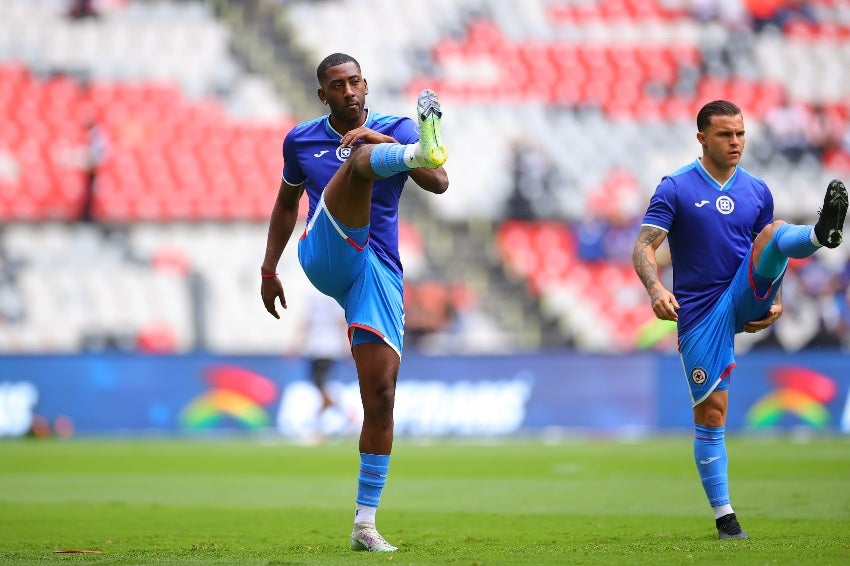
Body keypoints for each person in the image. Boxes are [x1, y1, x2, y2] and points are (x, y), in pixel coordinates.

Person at [632, 99, 847, 540]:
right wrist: (656, 289)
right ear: (702, 138)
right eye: (726, 135)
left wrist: (779, 300)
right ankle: (725, 517)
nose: (735, 142)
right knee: (712, 414)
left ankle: (820, 233)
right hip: (699, 312)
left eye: (741, 134)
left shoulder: (757, 190)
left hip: (745, 293)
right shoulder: (674, 187)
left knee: (776, 231)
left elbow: (771, 249)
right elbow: (642, 247)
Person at [260, 53, 449, 552]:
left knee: (381, 394)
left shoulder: (396, 125)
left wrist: (392, 142)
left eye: (354, 82)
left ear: (366, 85)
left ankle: (365, 524)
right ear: (323, 95)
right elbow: (284, 205)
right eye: (336, 86)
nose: (348, 91)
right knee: (361, 161)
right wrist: (268, 268)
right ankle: (410, 153)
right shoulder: (301, 140)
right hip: (325, 249)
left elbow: (440, 181)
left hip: (377, 269)